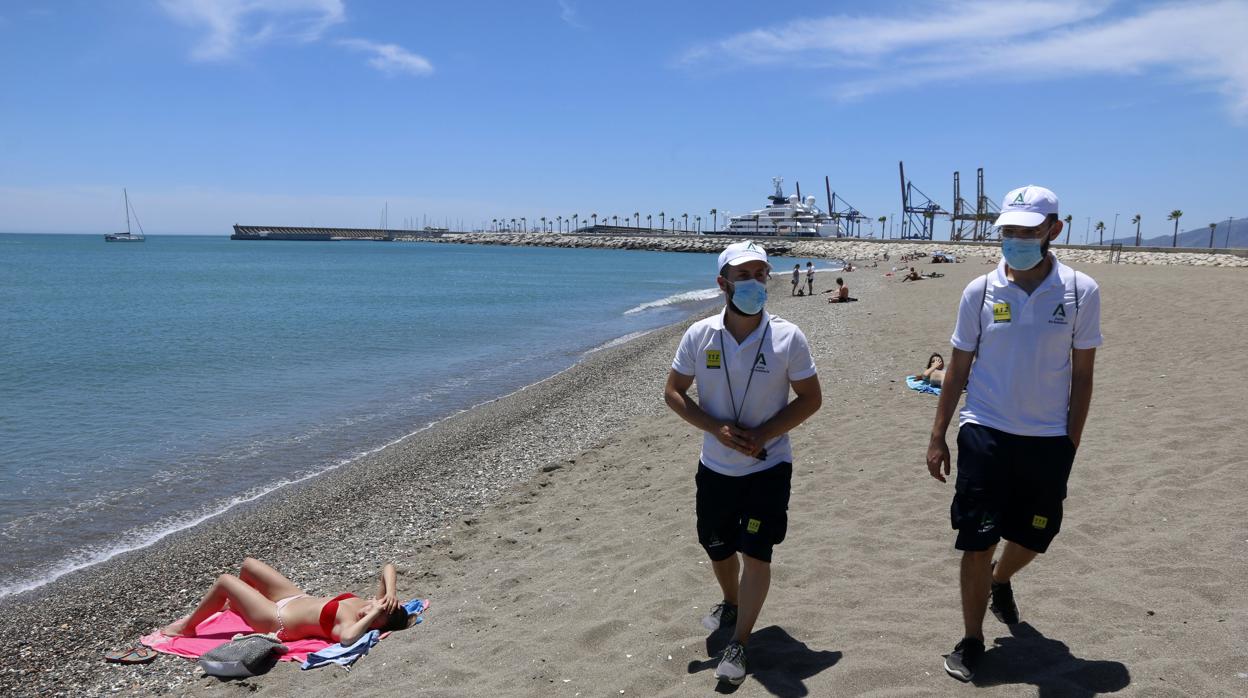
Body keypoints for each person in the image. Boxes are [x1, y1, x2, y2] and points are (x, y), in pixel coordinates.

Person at [925, 185, 1102, 682]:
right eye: (1008, 231)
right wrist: (938, 434)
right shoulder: (979, 290)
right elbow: (957, 366)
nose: (1016, 239)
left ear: (1053, 230)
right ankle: (972, 637)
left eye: (1028, 230)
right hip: (985, 431)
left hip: (1048, 439)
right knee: (975, 540)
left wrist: (1071, 442)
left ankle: (1000, 580)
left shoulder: (1080, 291)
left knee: (1036, 535)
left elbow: (1083, 374)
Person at [664, 241, 822, 686]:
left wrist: (763, 435)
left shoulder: (788, 336)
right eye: (743, 275)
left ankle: (742, 639)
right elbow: (674, 391)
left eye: (760, 274)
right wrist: (715, 428)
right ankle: (730, 601)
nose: (754, 283)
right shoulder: (699, 335)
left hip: (767, 468)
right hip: (714, 467)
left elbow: (811, 398)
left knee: (757, 551)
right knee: (716, 546)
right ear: (722, 284)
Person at [162, 558, 414, 645]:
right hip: (294, 597)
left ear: (377, 626)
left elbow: (348, 638)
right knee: (249, 565)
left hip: (276, 619)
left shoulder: (352, 625)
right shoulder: (377, 604)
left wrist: (370, 617)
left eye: (374, 619)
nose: (367, 611)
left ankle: (187, 628)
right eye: (374, 608)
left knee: (225, 581)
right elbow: (388, 567)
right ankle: (239, 606)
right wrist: (389, 593)